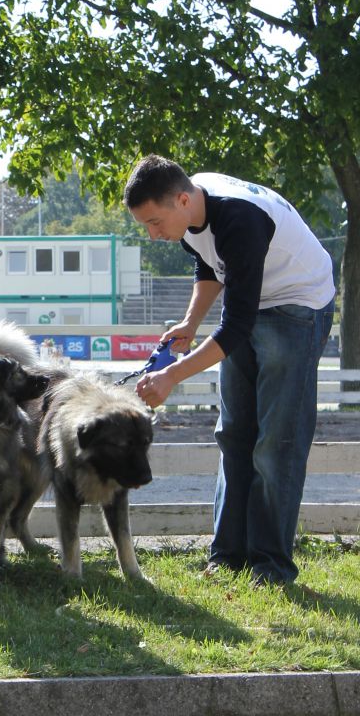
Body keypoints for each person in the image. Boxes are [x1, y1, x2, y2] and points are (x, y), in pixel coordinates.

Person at [124, 154, 335, 587]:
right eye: (144, 225)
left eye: (154, 222)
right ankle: (227, 556)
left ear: (181, 200)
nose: (153, 234)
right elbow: (210, 263)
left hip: (298, 305)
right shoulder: (190, 208)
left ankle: (271, 566)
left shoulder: (239, 218)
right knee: (234, 433)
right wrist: (190, 322)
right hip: (252, 300)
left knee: (276, 442)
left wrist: (171, 376)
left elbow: (236, 327)